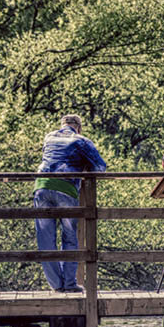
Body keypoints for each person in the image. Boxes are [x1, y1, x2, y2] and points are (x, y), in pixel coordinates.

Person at [33, 114, 107, 292]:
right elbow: (100, 167)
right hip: (65, 188)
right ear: (79, 127)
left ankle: (56, 285)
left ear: (62, 125)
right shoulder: (82, 141)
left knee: (45, 239)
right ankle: (69, 284)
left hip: (41, 186)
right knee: (69, 236)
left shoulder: (49, 137)